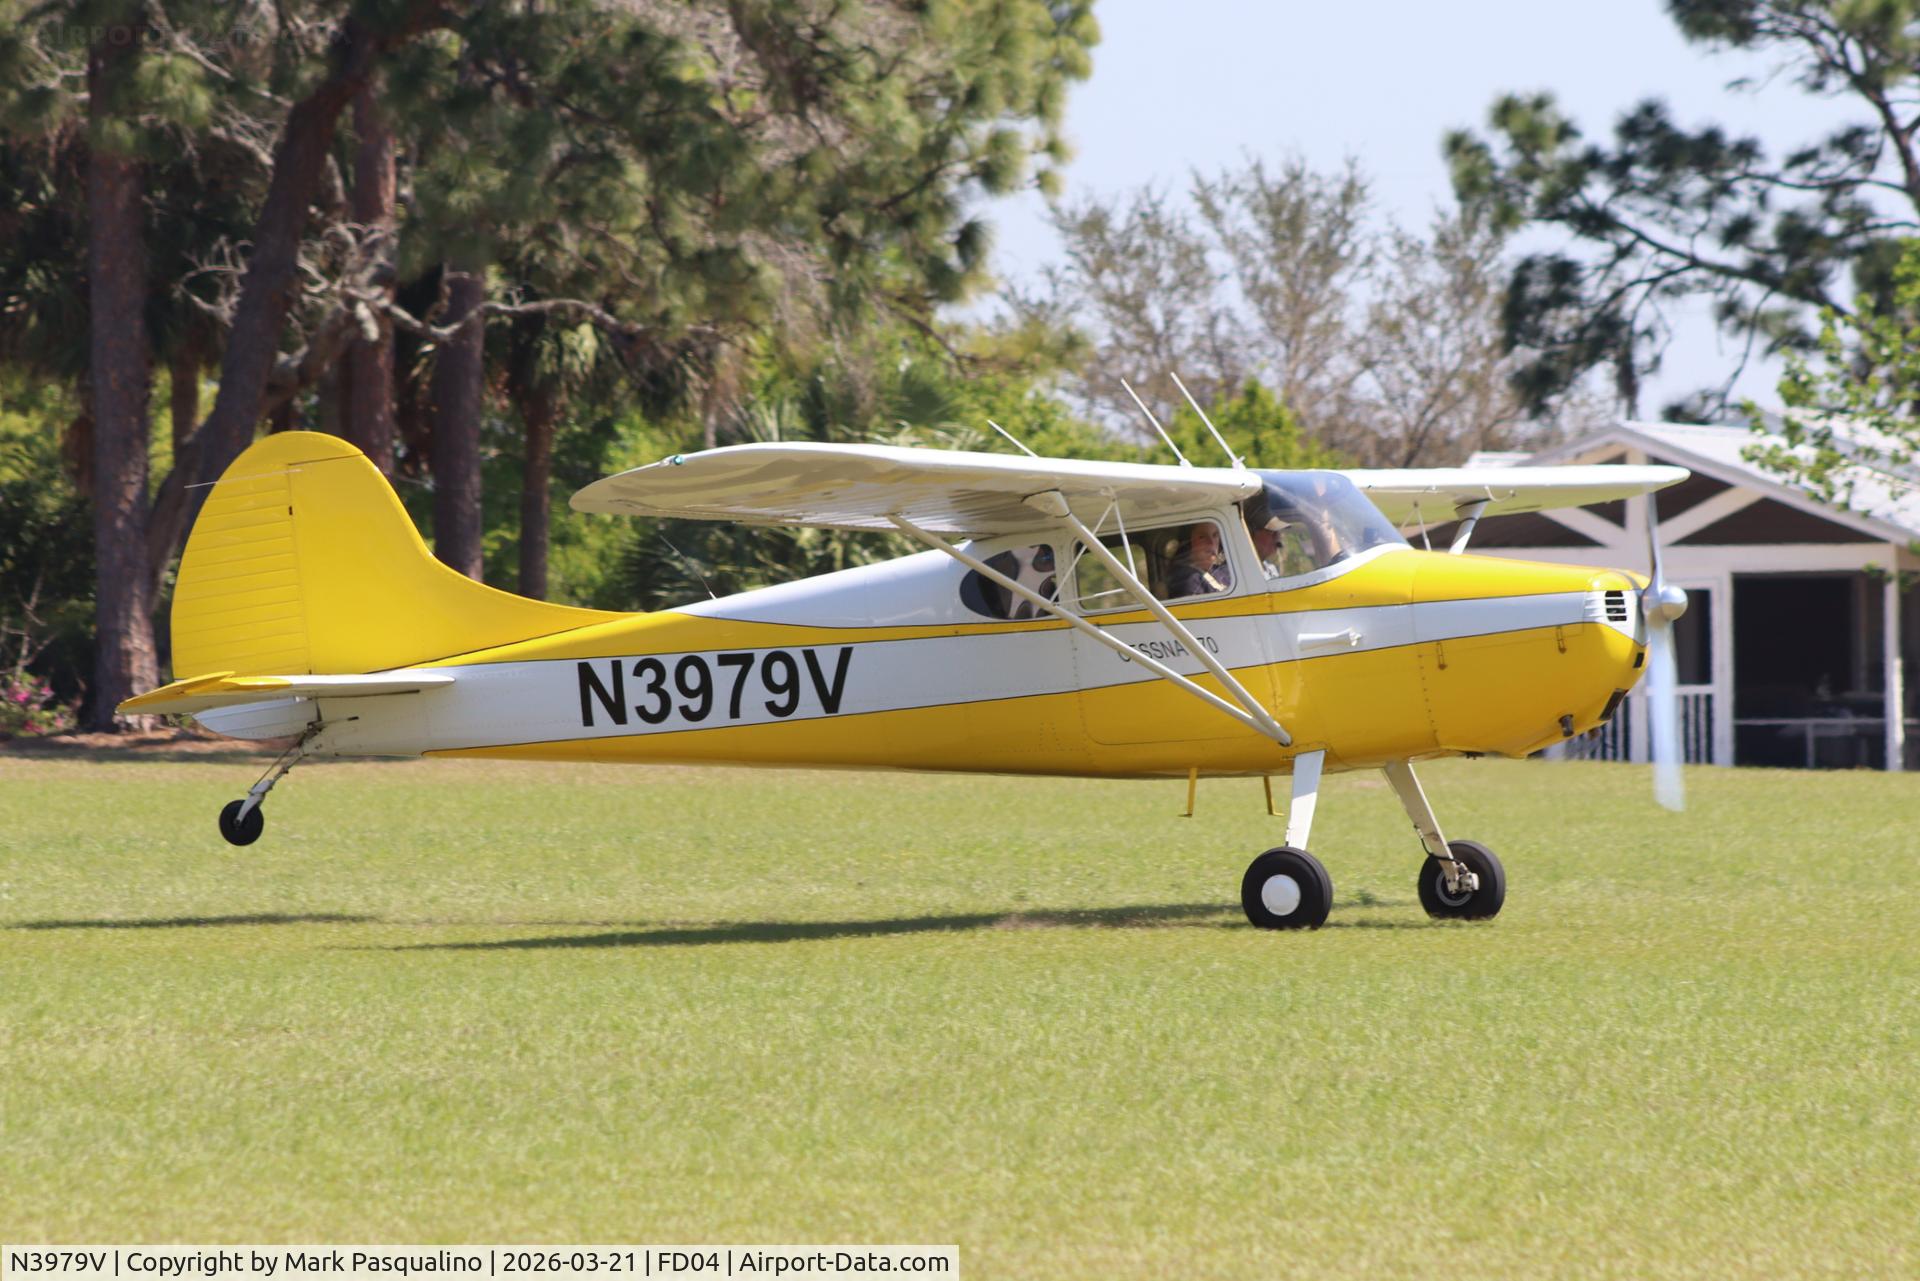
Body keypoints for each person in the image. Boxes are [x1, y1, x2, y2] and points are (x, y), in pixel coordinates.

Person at [1164, 522, 1232, 597]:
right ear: (1189, 542)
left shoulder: (1223, 571)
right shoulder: (1187, 580)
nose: (1211, 543)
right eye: (1202, 537)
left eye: (1215, 535)